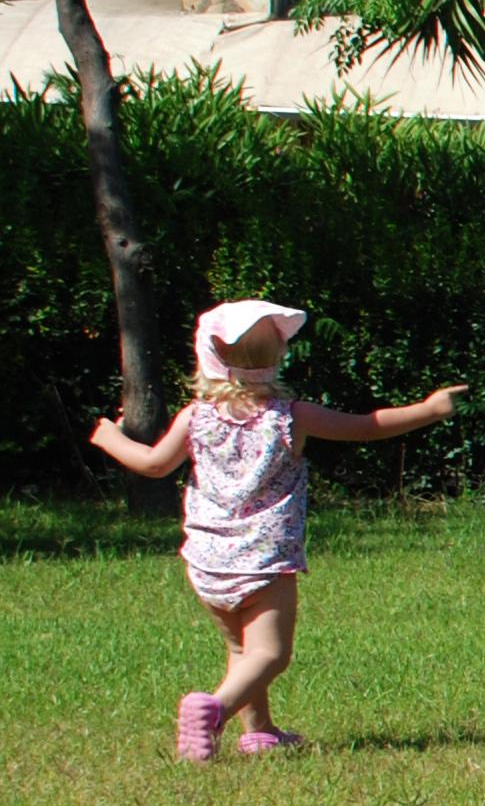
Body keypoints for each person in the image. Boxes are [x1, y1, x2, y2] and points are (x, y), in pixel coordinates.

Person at [87, 300, 464, 758]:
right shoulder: (291, 416)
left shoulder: (195, 417)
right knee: (271, 654)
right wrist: (429, 409)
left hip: (208, 560)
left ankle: (260, 731)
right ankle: (214, 710)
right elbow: (367, 426)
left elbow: (152, 464)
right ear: (279, 355)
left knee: (244, 651)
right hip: (266, 557)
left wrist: (108, 435)